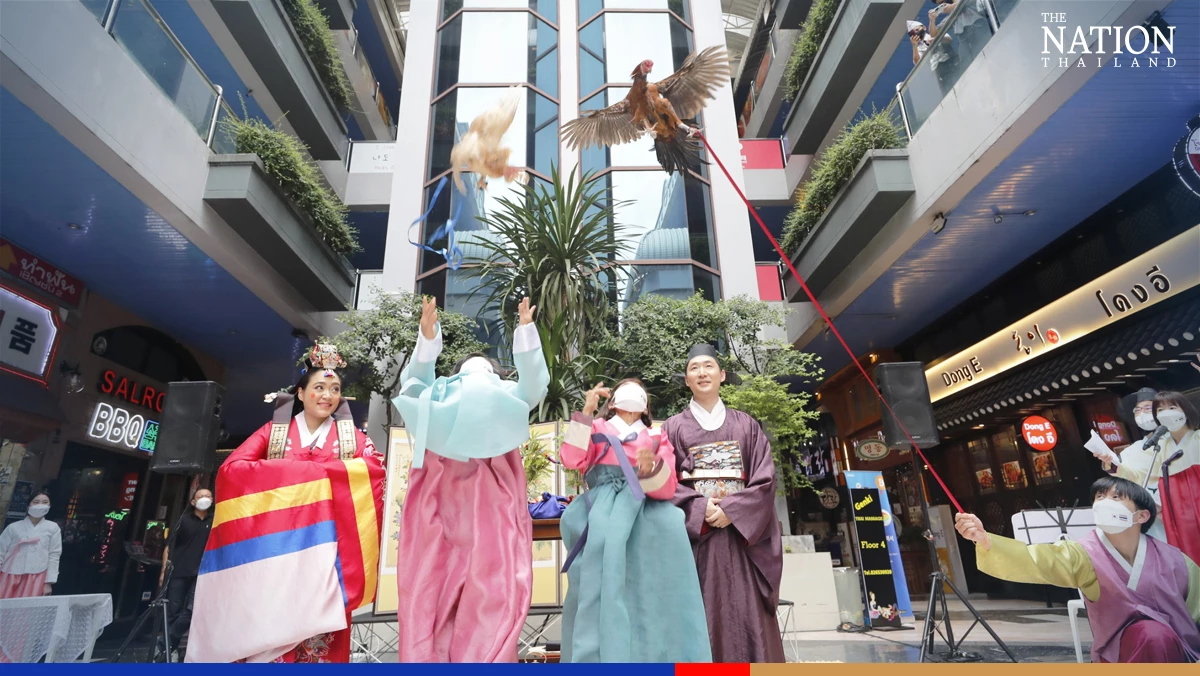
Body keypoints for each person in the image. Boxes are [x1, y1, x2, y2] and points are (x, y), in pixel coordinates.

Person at [185, 343, 385, 663]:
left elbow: (375, 471)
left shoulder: (353, 440)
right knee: (268, 632)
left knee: (318, 644)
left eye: (335, 389)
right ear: (301, 394)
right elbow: (231, 471)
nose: (327, 395)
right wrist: (302, 474)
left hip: (325, 555)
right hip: (275, 553)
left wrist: (311, 476)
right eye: (319, 387)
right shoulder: (275, 433)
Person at [391, 296, 549, 662]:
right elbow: (414, 387)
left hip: (491, 515)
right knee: (438, 597)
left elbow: (532, 387)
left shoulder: (505, 398)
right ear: (454, 377)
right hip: (447, 516)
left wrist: (526, 333)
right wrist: (427, 340)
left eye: (485, 373)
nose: (477, 380)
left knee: (491, 598)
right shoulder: (441, 398)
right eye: (469, 373)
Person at [955, 476, 1200, 663]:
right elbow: (1038, 560)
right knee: (1151, 634)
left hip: (1181, 649)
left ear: (1142, 515)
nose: (1104, 503)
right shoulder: (1084, 553)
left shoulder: (1176, 560)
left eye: (1116, 498)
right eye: (1099, 497)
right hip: (1122, 654)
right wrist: (985, 540)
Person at [557, 379, 711, 663]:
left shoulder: (656, 437)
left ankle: (662, 652)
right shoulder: (596, 428)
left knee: (670, 528)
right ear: (611, 402)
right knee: (599, 573)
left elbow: (667, 487)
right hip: (603, 506)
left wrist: (650, 468)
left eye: (638, 390)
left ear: (646, 406)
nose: (631, 393)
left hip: (646, 506)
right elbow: (571, 459)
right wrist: (586, 412)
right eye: (623, 389)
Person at [663, 344, 785, 663]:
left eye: (708, 367)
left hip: (740, 541)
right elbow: (664, 482)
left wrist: (732, 510)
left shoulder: (746, 425)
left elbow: (765, 480)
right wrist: (701, 509)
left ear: (722, 375)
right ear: (687, 380)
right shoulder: (672, 428)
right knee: (699, 617)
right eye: (694, 368)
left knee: (747, 619)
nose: (702, 373)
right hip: (696, 544)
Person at [1109, 392, 1200, 564]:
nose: (1166, 413)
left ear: (1185, 411)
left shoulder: (1197, 438)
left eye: (1172, 408)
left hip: (1197, 497)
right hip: (1176, 507)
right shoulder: (1161, 446)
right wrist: (1112, 465)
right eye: (1161, 410)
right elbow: (1137, 474)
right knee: (1187, 554)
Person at [1089, 388, 1167, 540]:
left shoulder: (1178, 441)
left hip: (1177, 504)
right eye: (1137, 410)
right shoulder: (1132, 450)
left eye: (1147, 408)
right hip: (1146, 509)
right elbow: (1129, 475)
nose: (1142, 413)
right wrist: (1109, 461)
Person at [160, 488, 213, 654]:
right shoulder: (182, 520)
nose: (205, 499)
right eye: (201, 496)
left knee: (192, 610)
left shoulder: (215, 521)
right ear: (193, 502)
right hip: (178, 571)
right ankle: (169, 650)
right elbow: (169, 546)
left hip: (201, 574)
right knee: (173, 610)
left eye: (208, 496)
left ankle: (164, 644)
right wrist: (163, 571)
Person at [0, 492, 61, 598]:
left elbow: (54, 555)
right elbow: (1, 550)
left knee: (26, 610)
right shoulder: (13, 527)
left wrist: (49, 582)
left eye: (45, 502)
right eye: (36, 502)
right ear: (29, 505)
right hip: (10, 573)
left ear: (49, 506)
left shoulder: (53, 528)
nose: (40, 505)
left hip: (36, 576)